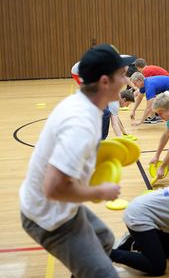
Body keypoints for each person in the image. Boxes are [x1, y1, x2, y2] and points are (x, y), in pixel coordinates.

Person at [19, 44, 134, 278]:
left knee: (105, 239)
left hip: (58, 207)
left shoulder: (84, 105)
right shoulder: (80, 124)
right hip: (48, 218)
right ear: (104, 82)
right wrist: (100, 192)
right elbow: (53, 188)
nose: (126, 80)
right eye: (121, 75)